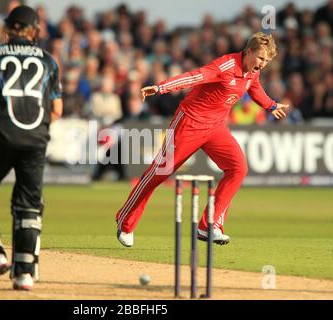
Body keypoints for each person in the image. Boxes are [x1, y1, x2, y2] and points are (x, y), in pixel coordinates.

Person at [116, 32, 288, 247]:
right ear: (249, 51)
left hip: (216, 127)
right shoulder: (225, 66)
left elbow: (254, 88)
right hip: (189, 122)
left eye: (267, 61)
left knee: (238, 169)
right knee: (159, 173)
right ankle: (126, 221)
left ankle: (209, 225)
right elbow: (194, 76)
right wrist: (161, 87)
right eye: (261, 58)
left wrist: (271, 105)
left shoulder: (251, 72)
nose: (262, 64)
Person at [0, 5, 63, 290]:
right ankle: (25, 274)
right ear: (33, 31)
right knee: (29, 206)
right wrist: (36, 132)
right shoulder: (49, 60)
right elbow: (57, 108)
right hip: (36, 141)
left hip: (0, 136)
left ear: (9, 29)